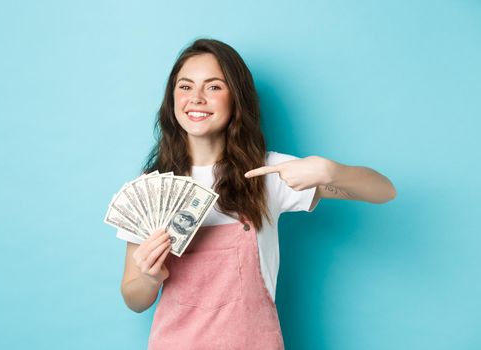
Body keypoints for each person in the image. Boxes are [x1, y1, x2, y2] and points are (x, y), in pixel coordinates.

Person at [117, 38, 396, 349]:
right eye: (185, 87)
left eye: (213, 87)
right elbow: (134, 299)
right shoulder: (151, 189)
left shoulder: (269, 173)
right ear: (171, 99)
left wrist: (331, 171)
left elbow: (384, 191)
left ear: (236, 98)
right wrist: (149, 276)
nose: (196, 98)